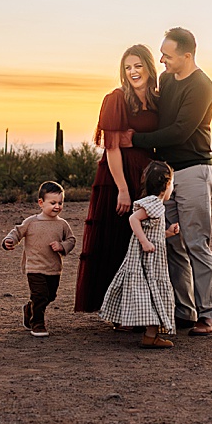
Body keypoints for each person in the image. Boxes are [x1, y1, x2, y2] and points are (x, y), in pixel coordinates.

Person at [131, 27, 212, 336]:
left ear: (187, 55)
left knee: (196, 242)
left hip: (193, 169)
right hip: (165, 173)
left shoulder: (201, 86)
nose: (162, 60)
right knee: (170, 242)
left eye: (167, 55)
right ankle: (184, 310)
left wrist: (136, 138)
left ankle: (207, 313)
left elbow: (181, 131)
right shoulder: (166, 81)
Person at [73, 44, 160, 316]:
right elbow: (111, 147)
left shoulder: (159, 100)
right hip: (118, 176)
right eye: (127, 67)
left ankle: (142, 308)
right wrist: (123, 189)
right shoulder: (116, 99)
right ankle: (116, 310)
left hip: (147, 175)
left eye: (138, 65)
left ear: (149, 67)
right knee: (117, 239)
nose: (133, 72)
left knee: (144, 239)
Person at [98, 161, 181, 348]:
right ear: (166, 185)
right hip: (147, 261)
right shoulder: (155, 204)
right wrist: (144, 242)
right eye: (172, 185)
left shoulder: (155, 205)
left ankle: (151, 335)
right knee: (153, 292)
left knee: (151, 293)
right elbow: (133, 219)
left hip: (149, 259)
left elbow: (153, 232)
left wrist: (168, 232)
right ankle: (150, 335)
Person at [2, 181, 77, 337]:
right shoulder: (31, 222)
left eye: (60, 203)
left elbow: (71, 240)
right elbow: (17, 232)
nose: (57, 206)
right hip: (34, 267)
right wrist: (9, 241)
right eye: (53, 203)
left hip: (54, 268)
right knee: (40, 295)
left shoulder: (62, 224)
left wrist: (62, 246)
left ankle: (30, 308)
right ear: (41, 203)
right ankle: (38, 324)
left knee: (50, 296)